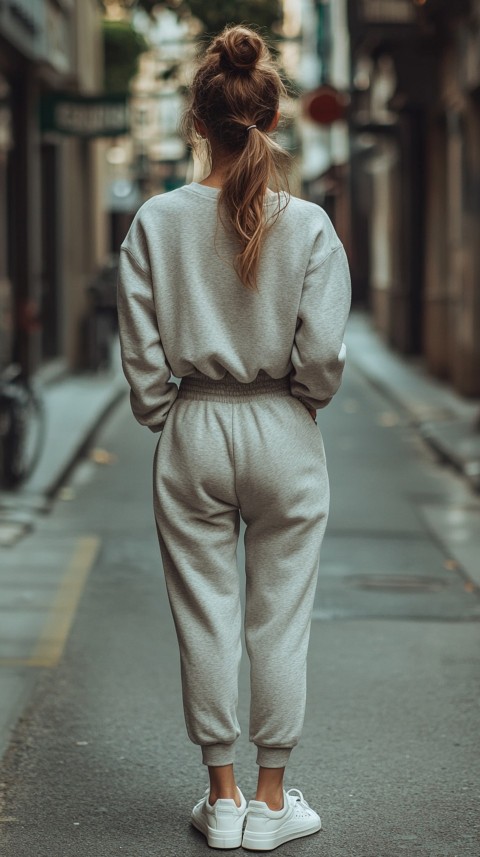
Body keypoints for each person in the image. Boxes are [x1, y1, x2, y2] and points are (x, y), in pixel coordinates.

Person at [117, 24, 351, 852]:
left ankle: (220, 797)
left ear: (196, 120)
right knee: (279, 615)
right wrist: (304, 399)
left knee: (204, 612)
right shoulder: (311, 224)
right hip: (282, 422)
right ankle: (272, 796)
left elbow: (143, 354)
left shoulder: (155, 219)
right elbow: (321, 355)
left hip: (195, 422)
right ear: (273, 118)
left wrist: (161, 411)